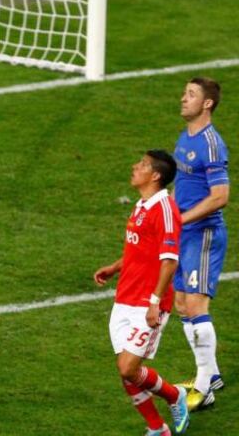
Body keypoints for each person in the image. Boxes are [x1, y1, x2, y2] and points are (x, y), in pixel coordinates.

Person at [93, 150, 190, 436]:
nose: (135, 167)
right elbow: (140, 251)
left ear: (156, 175)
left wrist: (155, 302)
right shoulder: (142, 205)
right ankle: (157, 429)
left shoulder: (165, 210)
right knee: (128, 371)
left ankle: (174, 396)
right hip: (124, 298)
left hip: (148, 304)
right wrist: (114, 267)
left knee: (127, 368)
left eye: (143, 165)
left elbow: (170, 259)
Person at [172, 77, 229, 410]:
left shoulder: (210, 143)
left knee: (196, 306)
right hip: (184, 232)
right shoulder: (186, 137)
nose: (183, 99)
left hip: (203, 234)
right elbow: (185, 184)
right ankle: (212, 374)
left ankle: (204, 388)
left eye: (191, 95)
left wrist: (182, 219)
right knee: (181, 303)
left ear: (207, 104)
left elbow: (220, 197)